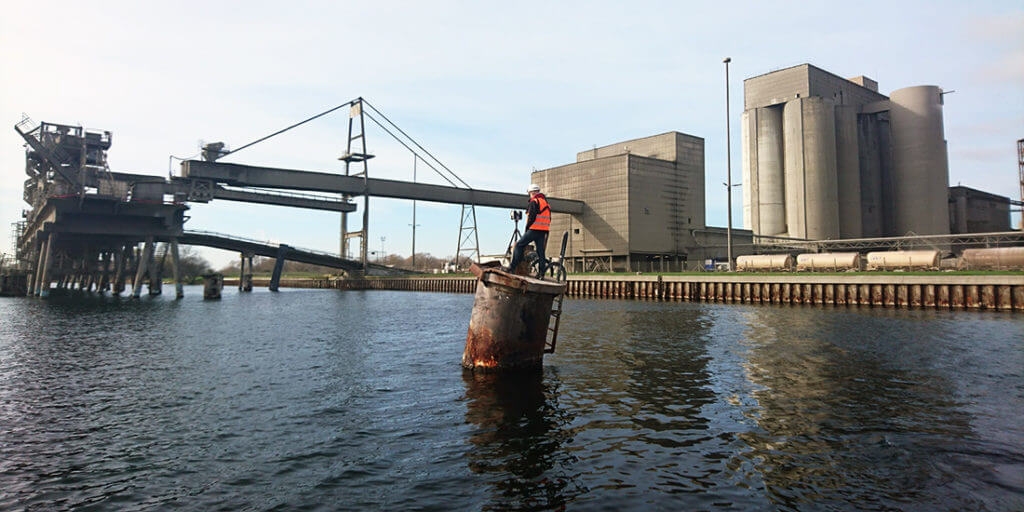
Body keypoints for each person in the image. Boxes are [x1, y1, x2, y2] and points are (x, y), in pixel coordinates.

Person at [507, 183, 551, 277]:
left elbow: (531, 217)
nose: (529, 195)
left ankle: (512, 267)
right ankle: (541, 273)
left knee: (519, 245)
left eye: (529, 193)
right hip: (543, 231)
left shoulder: (534, 202)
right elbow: (549, 219)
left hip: (534, 229)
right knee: (540, 252)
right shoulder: (546, 203)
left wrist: (527, 229)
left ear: (533, 193)